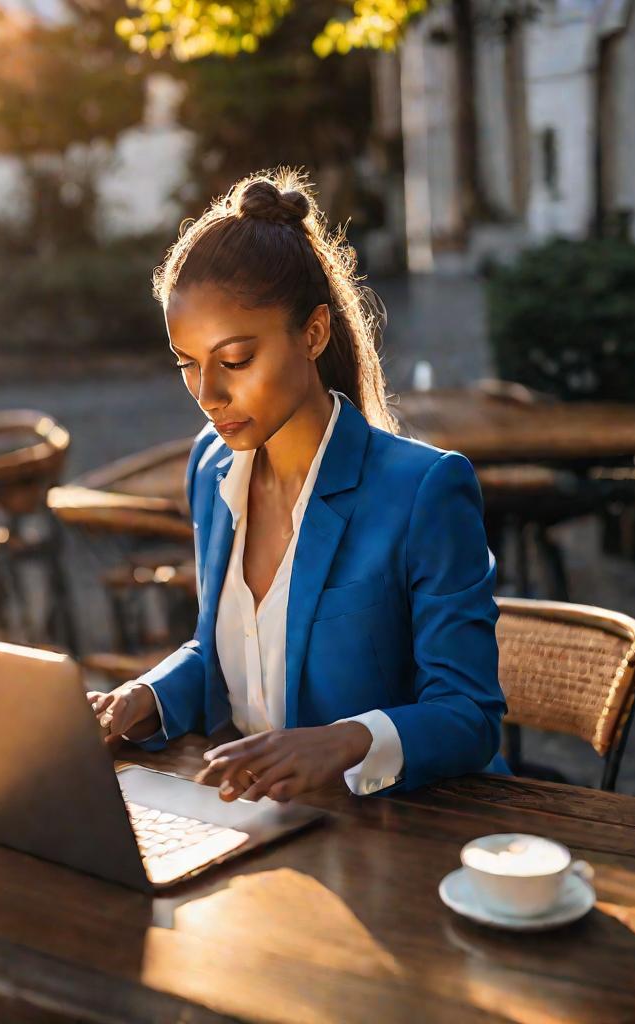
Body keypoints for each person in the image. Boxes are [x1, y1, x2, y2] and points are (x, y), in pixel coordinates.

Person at [88, 167, 509, 802]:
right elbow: (230, 647)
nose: (208, 395)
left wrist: (344, 741)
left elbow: (470, 716)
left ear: (312, 333)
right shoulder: (211, 468)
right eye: (187, 364)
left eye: (235, 361)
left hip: (401, 832)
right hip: (261, 824)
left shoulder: (422, 490)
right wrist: (146, 697)